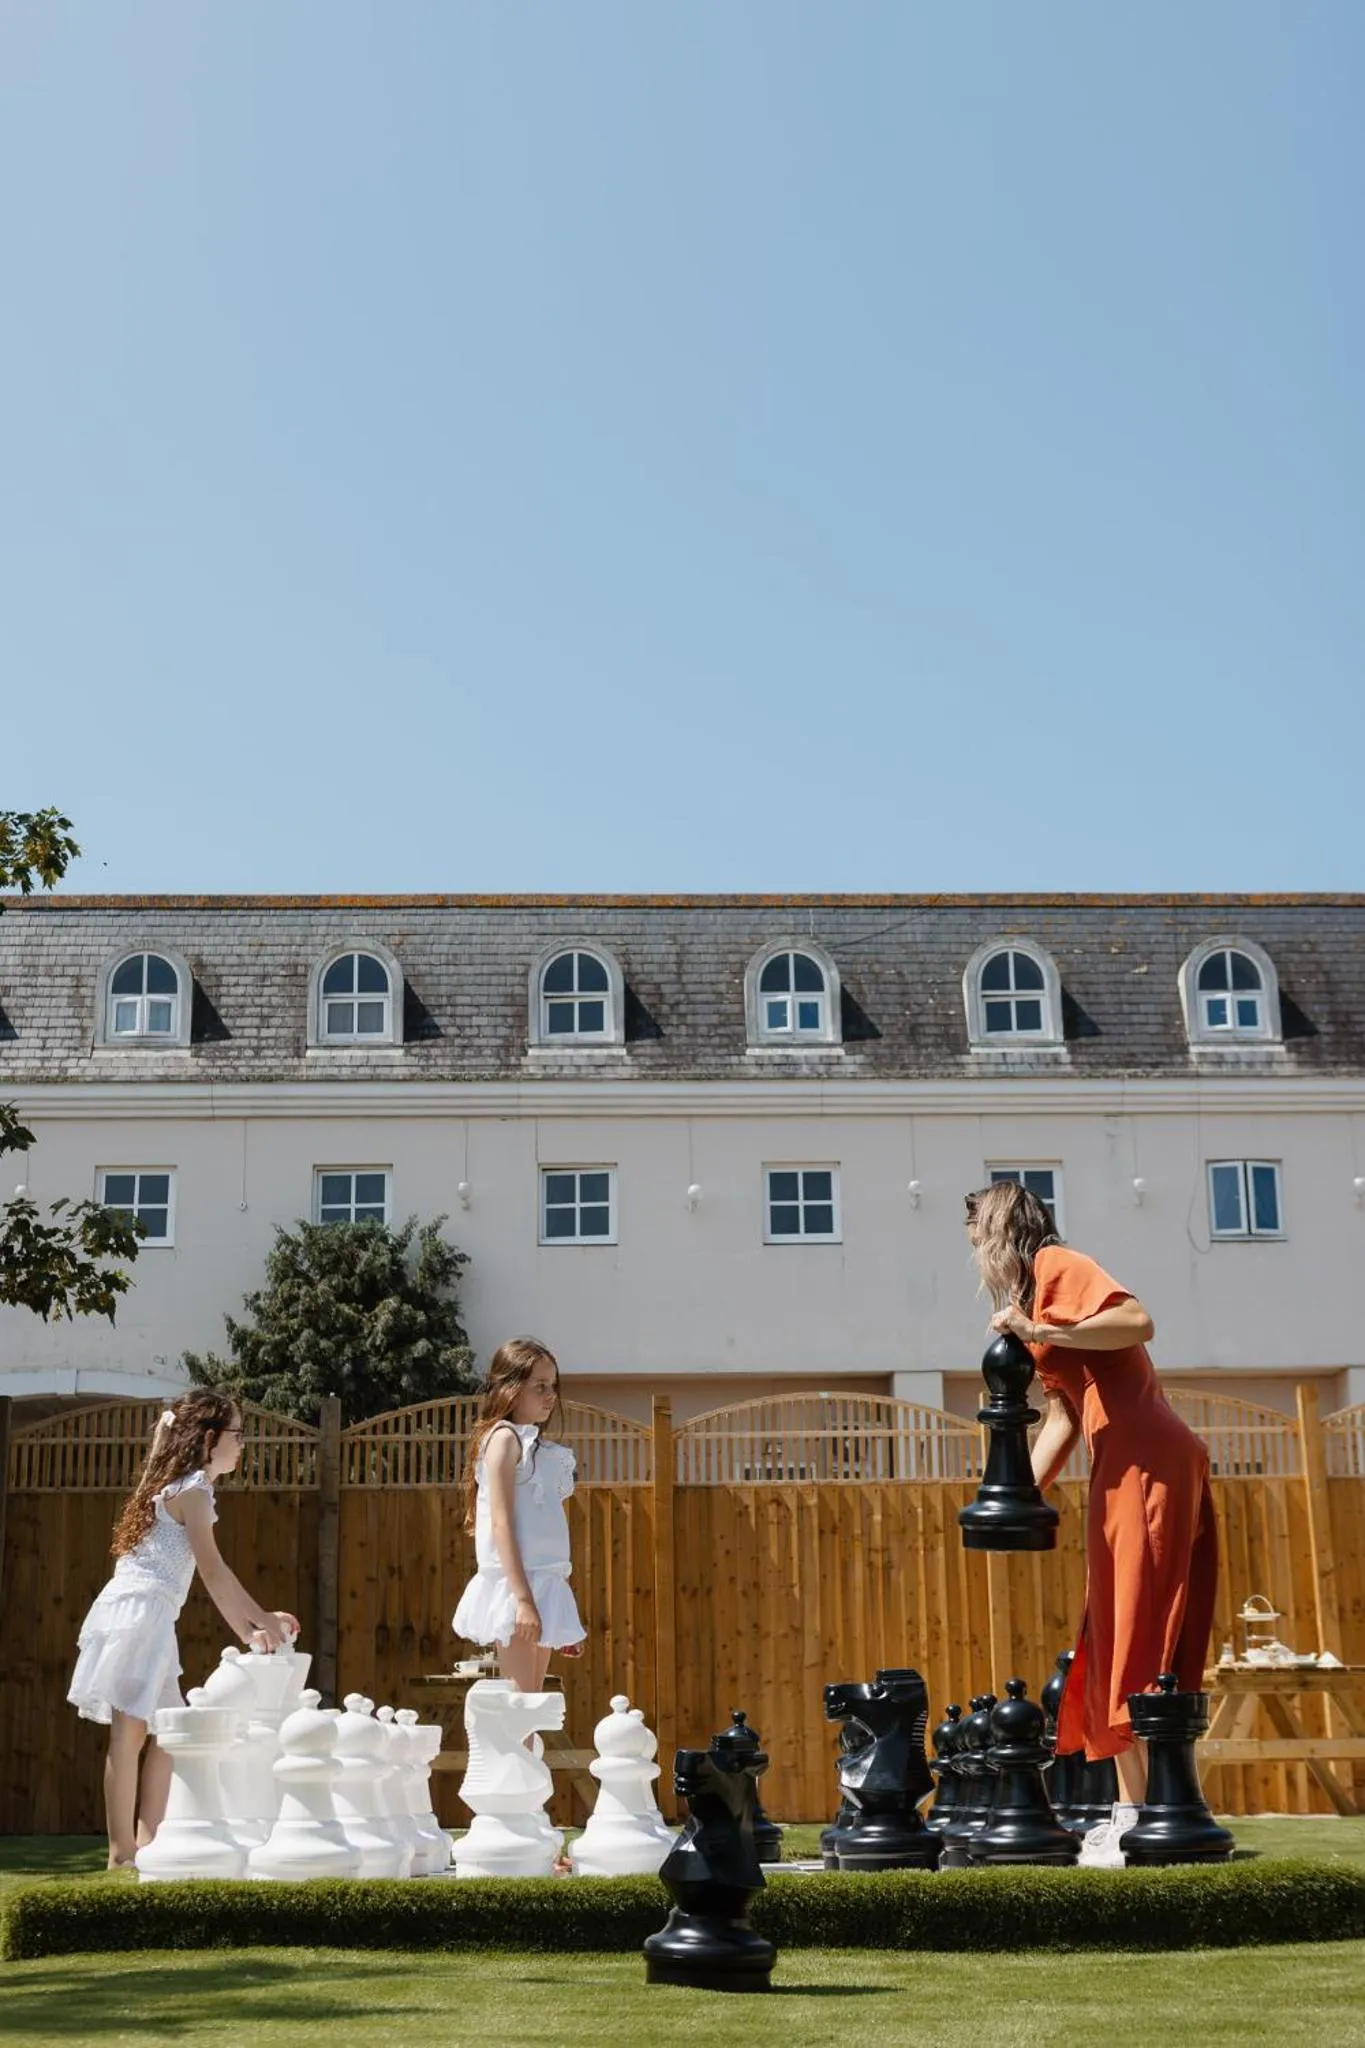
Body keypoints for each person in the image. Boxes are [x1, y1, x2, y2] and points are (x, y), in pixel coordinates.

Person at [964, 1182, 1218, 1865]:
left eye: (976, 1237)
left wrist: (1042, 1333)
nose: (975, 1253)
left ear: (999, 1228)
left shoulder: (1058, 1264)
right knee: (1106, 1636)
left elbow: (1136, 1321)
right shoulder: (1035, 1296)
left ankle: (1141, 1813)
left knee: (1134, 1632)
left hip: (1147, 1460)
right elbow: (1064, 1418)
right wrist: (1006, 1493)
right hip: (1121, 1463)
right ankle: (1135, 1808)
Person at [68, 1390, 298, 1867]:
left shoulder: (174, 1483)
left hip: (146, 1617)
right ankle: (121, 1853)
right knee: (131, 1734)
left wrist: (254, 1629)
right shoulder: (192, 1490)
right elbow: (214, 1571)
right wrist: (261, 1623)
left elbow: (216, 1577)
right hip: (139, 1615)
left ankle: (150, 1843)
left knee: (168, 1735)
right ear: (209, 1439)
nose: (243, 1444)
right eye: (238, 1434)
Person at [454, 1337, 587, 1691]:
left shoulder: (535, 1446)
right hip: (517, 1588)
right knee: (522, 1702)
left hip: (544, 1582)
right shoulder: (504, 1439)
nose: (550, 1395)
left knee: (533, 1701)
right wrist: (524, 1601)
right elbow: (502, 1523)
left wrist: (558, 1617)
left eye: (553, 1386)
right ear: (510, 1389)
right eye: (539, 1386)